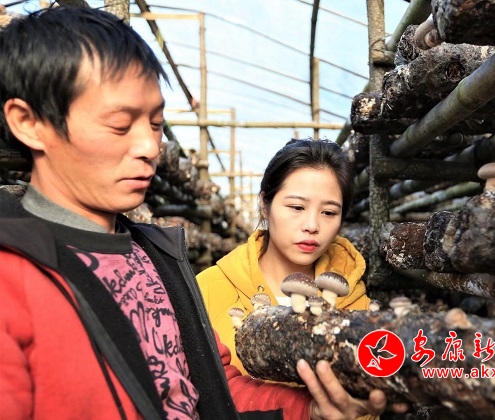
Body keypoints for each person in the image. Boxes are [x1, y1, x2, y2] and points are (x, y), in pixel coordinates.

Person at [0, 6, 394, 419]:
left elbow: (213, 385)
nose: (150, 147)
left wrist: (309, 411)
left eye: (155, 124)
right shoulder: (14, 277)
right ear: (29, 123)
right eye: (120, 125)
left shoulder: (158, 260)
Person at [197, 139, 371, 375]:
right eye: (297, 207)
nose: (312, 226)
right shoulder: (208, 290)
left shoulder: (354, 300)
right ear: (265, 205)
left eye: (329, 212)